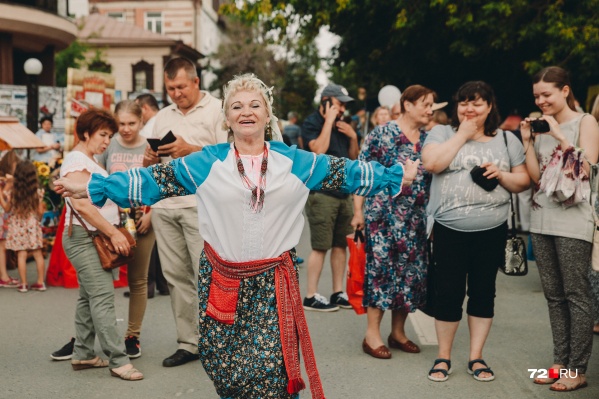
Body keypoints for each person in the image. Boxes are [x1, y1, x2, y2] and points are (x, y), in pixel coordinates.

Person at [55, 72, 419, 399]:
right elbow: (150, 183)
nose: (246, 111)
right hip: (222, 279)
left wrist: (396, 176)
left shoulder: (296, 161)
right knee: (224, 368)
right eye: (237, 106)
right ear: (227, 117)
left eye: (255, 105)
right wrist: (93, 184)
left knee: (271, 375)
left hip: (274, 282)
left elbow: (349, 173)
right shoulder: (207, 161)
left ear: (267, 114)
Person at [422, 81, 530, 382]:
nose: (469, 108)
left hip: (492, 229)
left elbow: (523, 181)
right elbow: (431, 163)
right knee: (448, 293)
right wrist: (463, 135)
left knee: (484, 293)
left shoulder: (507, 140)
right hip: (448, 229)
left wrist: (502, 175)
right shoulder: (443, 133)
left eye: (477, 103)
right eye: (464, 102)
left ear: (490, 106)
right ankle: (443, 357)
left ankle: (476, 357)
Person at [143, 57, 227, 367]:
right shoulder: (162, 116)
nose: (176, 93)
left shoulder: (218, 110)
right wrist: (151, 155)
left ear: (195, 82)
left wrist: (188, 149)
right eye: (170, 88)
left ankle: (218, 340)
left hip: (202, 205)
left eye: (180, 87)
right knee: (177, 278)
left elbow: (230, 156)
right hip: (166, 206)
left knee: (208, 276)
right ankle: (189, 342)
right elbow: (148, 166)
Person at [521, 66, 599, 392]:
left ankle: (576, 370)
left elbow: (588, 167)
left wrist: (560, 136)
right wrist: (528, 142)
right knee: (554, 296)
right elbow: (537, 178)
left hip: (573, 221)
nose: (541, 101)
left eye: (547, 94)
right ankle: (559, 363)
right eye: (537, 95)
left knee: (576, 295)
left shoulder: (586, 122)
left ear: (565, 91)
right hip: (541, 220)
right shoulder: (539, 126)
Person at [59, 108, 143, 381]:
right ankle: (118, 360)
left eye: (110, 135)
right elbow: (82, 205)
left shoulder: (87, 159)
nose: (107, 141)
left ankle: (83, 353)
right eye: (103, 134)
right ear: (86, 133)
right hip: (87, 237)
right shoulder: (76, 160)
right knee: (103, 298)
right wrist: (114, 233)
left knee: (88, 296)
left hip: (93, 236)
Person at [352, 85, 435, 359]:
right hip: (383, 219)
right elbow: (361, 173)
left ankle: (398, 332)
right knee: (381, 275)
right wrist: (358, 212)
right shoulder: (382, 134)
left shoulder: (428, 140)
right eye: (426, 104)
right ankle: (372, 334)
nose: (430, 109)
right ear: (408, 104)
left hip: (416, 221)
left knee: (410, 277)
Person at [97, 99, 155, 358]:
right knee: (100, 278)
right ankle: (89, 334)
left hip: (142, 218)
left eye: (132, 123)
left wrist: (151, 215)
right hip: (110, 219)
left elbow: (161, 184)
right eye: (121, 123)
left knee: (138, 280)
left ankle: (133, 335)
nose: (126, 128)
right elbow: (97, 177)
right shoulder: (108, 145)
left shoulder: (149, 147)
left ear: (141, 121)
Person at [301, 83, 360, 311]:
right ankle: (311, 295)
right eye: (339, 103)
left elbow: (354, 159)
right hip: (322, 194)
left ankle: (338, 292)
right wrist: (328, 121)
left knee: (340, 245)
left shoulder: (345, 125)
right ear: (325, 101)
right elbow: (318, 151)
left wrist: (353, 137)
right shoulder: (312, 123)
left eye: (344, 105)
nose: (343, 109)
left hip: (343, 192)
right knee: (320, 246)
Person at [0, 160, 46, 293]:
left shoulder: (14, 193)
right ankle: (40, 282)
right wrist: (38, 220)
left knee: (21, 254)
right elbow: (39, 212)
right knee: (38, 254)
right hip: (32, 225)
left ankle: (24, 284)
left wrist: (1, 196)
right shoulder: (37, 193)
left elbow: (7, 209)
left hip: (18, 226)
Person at [0, 150, 19, 288]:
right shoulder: (3, 181)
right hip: (2, 217)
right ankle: (3, 277)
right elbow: (5, 205)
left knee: (3, 247)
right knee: (2, 247)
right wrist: (8, 185)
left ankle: (4, 275)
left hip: (4, 217)